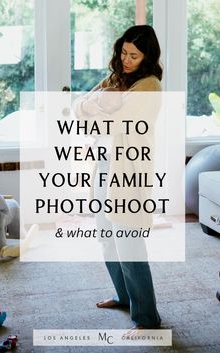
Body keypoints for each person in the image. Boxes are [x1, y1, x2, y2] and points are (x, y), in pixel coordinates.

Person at [75, 25, 162, 329]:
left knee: (129, 244)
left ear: (147, 57)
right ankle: (124, 297)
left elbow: (120, 125)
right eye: (124, 52)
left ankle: (147, 317)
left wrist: (97, 106)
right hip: (103, 166)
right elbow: (78, 108)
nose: (126, 59)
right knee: (107, 238)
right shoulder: (116, 78)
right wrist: (100, 103)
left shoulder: (149, 86)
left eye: (134, 55)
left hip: (128, 173)